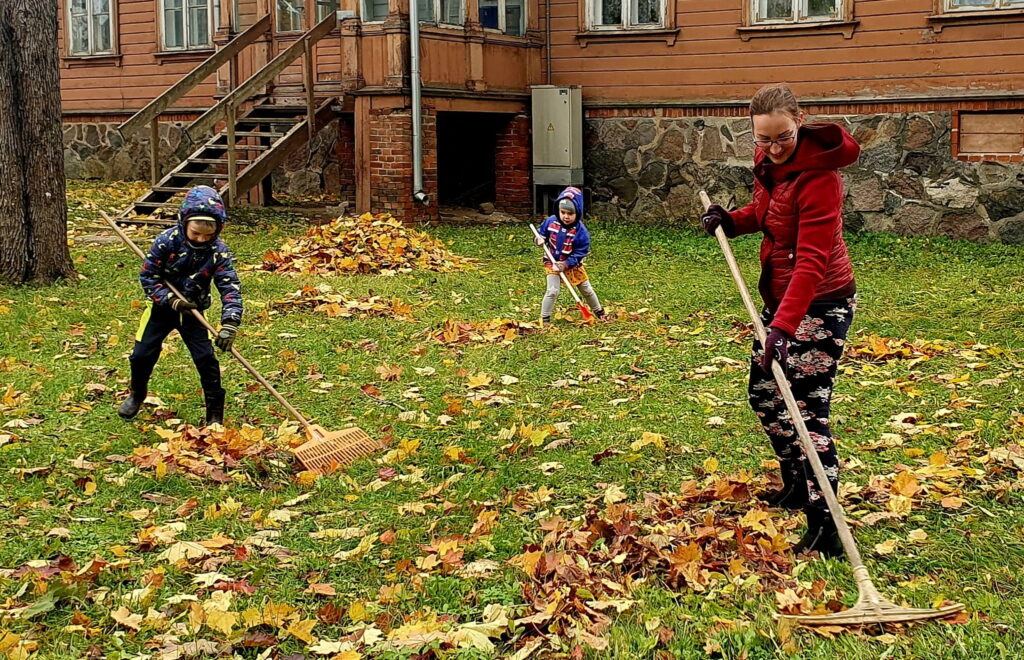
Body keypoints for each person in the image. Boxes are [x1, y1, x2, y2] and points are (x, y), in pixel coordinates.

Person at [700, 84, 860, 558]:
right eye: (762, 140)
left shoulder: (821, 178)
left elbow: (811, 259)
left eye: (782, 138)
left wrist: (784, 328)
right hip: (784, 303)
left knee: (806, 412)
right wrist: (731, 220)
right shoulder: (770, 164)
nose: (771, 148)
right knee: (766, 395)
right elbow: (770, 215)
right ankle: (796, 483)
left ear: (799, 121)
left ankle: (825, 524)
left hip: (820, 304)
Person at [118, 185, 243, 426]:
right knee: (142, 355)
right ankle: (137, 394)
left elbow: (230, 287)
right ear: (183, 223)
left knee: (206, 359)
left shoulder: (218, 251)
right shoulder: (167, 242)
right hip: (160, 309)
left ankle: (215, 412)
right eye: (195, 233)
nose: (201, 239)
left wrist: (230, 322)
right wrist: (170, 299)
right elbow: (148, 277)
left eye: (208, 235)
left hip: (193, 313)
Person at [534, 186, 608, 325]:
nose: (566, 216)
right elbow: (541, 233)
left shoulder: (581, 232)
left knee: (586, 289)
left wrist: (565, 264)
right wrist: (539, 239)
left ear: (578, 213)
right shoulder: (551, 222)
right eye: (563, 212)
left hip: (572, 265)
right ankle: (545, 319)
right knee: (552, 291)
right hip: (552, 262)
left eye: (570, 213)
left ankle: (599, 312)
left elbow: (580, 253)